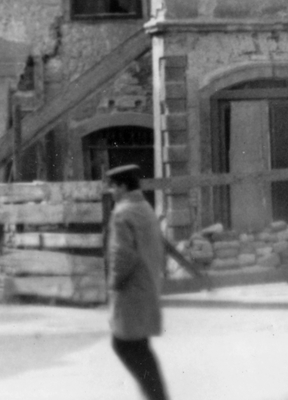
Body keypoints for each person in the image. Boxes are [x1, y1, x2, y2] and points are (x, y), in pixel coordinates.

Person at [105, 164, 169, 400]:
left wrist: (112, 284)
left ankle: (157, 397)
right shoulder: (144, 207)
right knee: (139, 348)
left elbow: (122, 255)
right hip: (147, 286)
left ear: (122, 186)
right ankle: (156, 396)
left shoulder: (122, 213)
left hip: (130, 291)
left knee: (124, 345)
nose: (111, 192)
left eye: (112, 187)